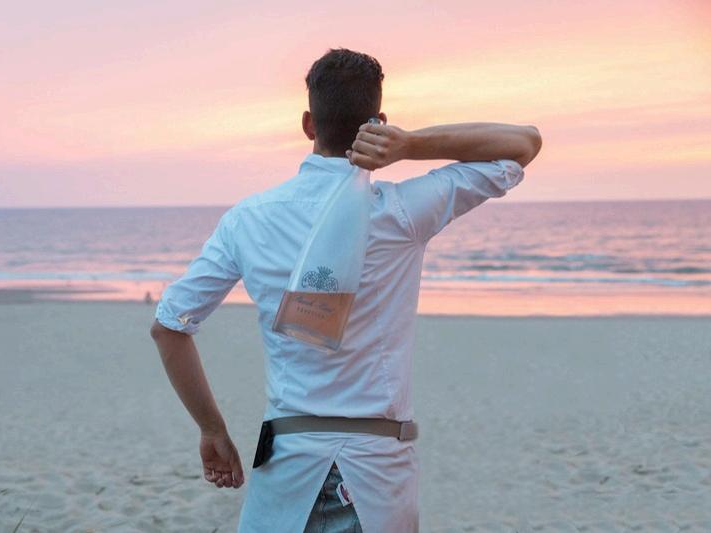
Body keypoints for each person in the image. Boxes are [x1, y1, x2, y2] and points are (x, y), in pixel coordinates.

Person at [150, 48, 542, 532]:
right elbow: (523, 144)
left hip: (287, 465)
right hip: (376, 471)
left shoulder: (248, 220)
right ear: (378, 124)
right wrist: (410, 145)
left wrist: (212, 430)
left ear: (308, 124)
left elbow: (170, 327)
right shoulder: (402, 211)